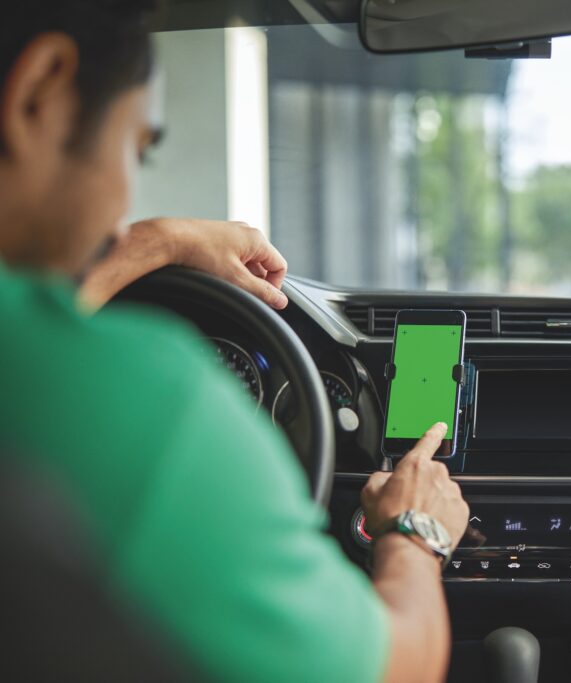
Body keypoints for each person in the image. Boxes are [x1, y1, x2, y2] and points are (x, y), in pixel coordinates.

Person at [0, 2, 470, 682]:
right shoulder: (152, 397)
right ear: (42, 90)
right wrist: (415, 531)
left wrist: (156, 242)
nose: (119, 201)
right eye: (137, 148)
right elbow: (400, 665)